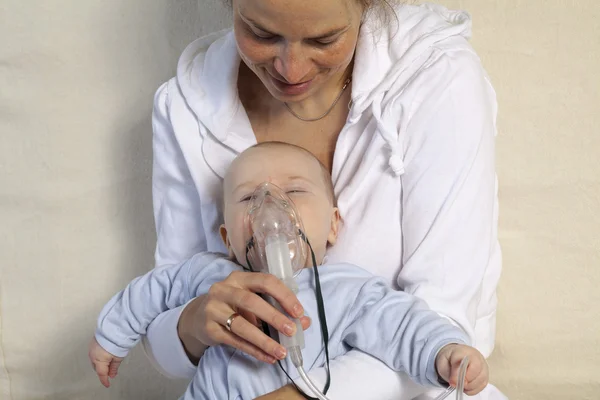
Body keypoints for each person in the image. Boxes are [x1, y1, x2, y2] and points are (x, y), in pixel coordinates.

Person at [142, 1, 504, 399]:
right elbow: (161, 340)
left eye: (324, 39)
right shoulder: (185, 108)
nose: (290, 69)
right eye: (261, 34)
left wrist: (300, 396)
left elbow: (449, 336)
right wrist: (194, 323)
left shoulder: (437, 79)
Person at [89, 143, 489, 399]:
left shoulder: (345, 290)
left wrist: (445, 351)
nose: (270, 207)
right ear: (227, 237)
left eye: (295, 191)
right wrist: (111, 336)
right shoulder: (211, 277)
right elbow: (152, 292)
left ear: (333, 225)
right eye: (248, 197)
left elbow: (401, 325)